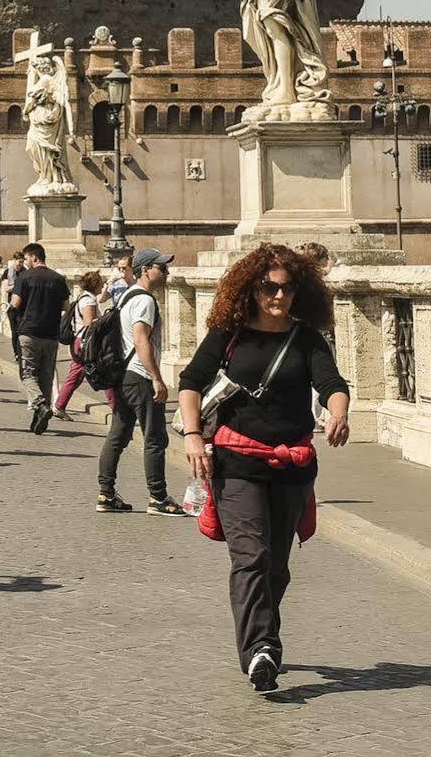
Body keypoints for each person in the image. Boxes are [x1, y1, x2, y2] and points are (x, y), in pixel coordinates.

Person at [179, 243, 350, 694]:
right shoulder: (229, 333)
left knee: (276, 566)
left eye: (287, 288)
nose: (278, 296)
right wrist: (193, 436)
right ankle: (260, 648)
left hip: (292, 464)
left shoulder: (307, 338)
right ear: (251, 289)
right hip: (237, 462)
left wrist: (338, 411)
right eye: (269, 287)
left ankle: (264, 639)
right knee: (251, 557)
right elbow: (191, 383)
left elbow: (331, 383)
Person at [98, 247, 183, 516]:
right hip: (140, 375)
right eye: (161, 267)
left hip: (123, 375)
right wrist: (157, 378)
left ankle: (106, 494)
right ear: (145, 270)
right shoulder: (145, 300)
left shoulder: (126, 297)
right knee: (155, 437)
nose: (166, 272)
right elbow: (140, 339)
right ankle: (158, 498)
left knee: (118, 435)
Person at [9, 243, 69, 433]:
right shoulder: (58, 279)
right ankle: (39, 419)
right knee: (46, 374)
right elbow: (66, 307)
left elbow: (15, 305)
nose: (25, 262)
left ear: (34, 257)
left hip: (29, 332)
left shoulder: (24, 277)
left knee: (27, 374)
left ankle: (40, 405)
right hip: (51, 334)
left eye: (26, 259)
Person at [53, 270, 104, 420]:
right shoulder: (89, 301)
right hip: (84, 342)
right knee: (101, 374)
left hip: (79, 341)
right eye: (100, 283)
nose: (102, 286)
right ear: (95, 284)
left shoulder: (84, 298)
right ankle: (59, 405)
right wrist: (107, 319)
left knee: (76, 375)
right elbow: (90, 323)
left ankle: (60, 405)